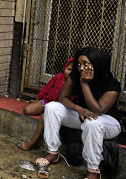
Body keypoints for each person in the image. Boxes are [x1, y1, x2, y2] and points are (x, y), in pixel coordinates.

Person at [34, 47, 121, 179]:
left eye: (86, 64)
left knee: (93, 123)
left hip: (107, 122)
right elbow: (62, 98)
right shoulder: (75, 75)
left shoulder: (111, 83)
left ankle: (93, 170)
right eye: (79, 64)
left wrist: (84, 85)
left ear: (97, 63)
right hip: (82, 116)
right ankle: (53, 152)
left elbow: (97, 110)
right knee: (51, 107)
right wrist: (79, 108)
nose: (81, 68)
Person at [18, 58, 73, 151]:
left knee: (44, 117)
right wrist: (37, 100)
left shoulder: (74, 84)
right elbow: (46, 89)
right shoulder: (58, 77)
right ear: (65, 67)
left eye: (73, 71)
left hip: (57, 108)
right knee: (27, 110)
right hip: (46, 101)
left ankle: (32, 143)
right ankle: (41, 107)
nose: (69, 72)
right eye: (68, 69)